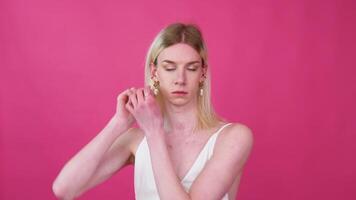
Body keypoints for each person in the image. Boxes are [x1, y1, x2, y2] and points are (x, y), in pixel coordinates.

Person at [52, 22, 254, 200]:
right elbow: (65, 188)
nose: (180, 79)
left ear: (203, 73)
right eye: (169, 67)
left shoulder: (233, 137)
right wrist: (118, 123)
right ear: (155, 71)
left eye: (191, 68)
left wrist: (154, 132)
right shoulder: (136, 140)